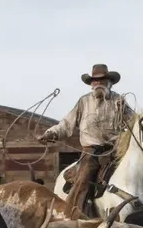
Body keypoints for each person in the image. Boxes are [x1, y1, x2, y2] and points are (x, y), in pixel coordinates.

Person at [36, 63, 134, 212]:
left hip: (116, 149)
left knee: (140, 170)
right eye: (95, 81)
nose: (98, 84)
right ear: (91, 84)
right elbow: (66, 124)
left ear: (110, 83)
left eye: (102, 80)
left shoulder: (119, 101)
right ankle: (74, 212)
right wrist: (51, 133)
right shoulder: (84, 102)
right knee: (84, 177)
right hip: (91, 151)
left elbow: (134, 122)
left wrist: (127, 115)